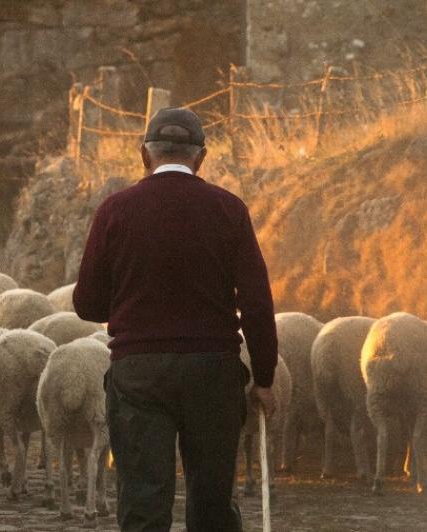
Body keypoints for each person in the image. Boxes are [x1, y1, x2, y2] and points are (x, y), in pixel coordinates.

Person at [73, 107, 278, 532]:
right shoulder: (229, 209)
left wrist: (133, 308)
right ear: (201, 157)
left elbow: (88, 304)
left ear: (144, 155)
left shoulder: (114, 210)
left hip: (139, 372)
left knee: (143, 501)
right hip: (212, 373)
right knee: (212, 502)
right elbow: (257, 303)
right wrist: (264, 377)